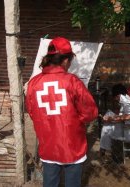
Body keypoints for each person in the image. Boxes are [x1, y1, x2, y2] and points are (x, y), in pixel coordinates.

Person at [25, 36, 98, 187]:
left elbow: (32, 112)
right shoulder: (72, 81)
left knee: (50, 183)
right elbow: (90, 113)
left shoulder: (33, 83)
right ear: (66, 60)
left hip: (48, 144)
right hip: (72, 145)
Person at [100, 83, 130, 161]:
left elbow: (128, 117)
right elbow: (126, 114)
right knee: (108, 116)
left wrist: (112, 119)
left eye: (115, 98)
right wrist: (114, 117)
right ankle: (105, 149)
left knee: (107, 128)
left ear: (117, 96)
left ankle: (106, 151)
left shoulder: (127, 102)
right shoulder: (128, 99)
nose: (116, 100)